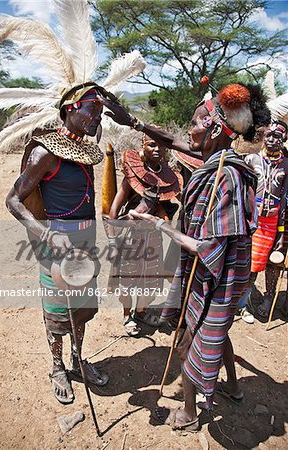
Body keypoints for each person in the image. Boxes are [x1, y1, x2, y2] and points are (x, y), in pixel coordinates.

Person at [101, 83, 271, 430]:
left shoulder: (225, 176)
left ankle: (191, 413)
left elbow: (209, 249)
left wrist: (156, 225)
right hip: (215, 274)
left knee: (185, 340)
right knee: (217, 332)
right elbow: (177, 142)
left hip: (211, 276)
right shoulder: (216, 159)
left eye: (194, 122)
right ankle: (234, 389)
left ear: (212, 128)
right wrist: (133, 123)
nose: (187, 130)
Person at [6, 86, 111, 404]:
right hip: (56, 245)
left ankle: (79, 361)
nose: (98, 115)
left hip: (85, 244)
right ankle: (57, 367)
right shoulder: (45, 154)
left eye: (100, 111)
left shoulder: (85, 153)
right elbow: (13, 201)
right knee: (57, 312)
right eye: (92, 109)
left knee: (81, 309)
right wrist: (47, 233)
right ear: (70, 109)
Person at [108, 133, 182, 336]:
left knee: (148, 279)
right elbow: (113, 211)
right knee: (128, 279)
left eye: (161, 146)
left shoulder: (167, 178)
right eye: (151, 145)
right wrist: (114, 242)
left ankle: (141, 311)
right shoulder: (131, 177)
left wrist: (161, 215)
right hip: (131, 237)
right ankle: (127, 315)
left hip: (153, 238)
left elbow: (164, 209)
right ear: (143, 148)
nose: (157, 149)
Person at [240, 120, 288, 323]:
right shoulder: (251, 159)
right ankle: (241, 302)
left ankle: (267, 298)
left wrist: (281, 232)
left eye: (277, 136)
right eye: (269, 135)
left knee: (268, 261)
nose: (272, 140)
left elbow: (285, 199)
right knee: (247, 262)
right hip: (250, 218)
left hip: (272, 221)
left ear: (284, 139)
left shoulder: (286, 165)